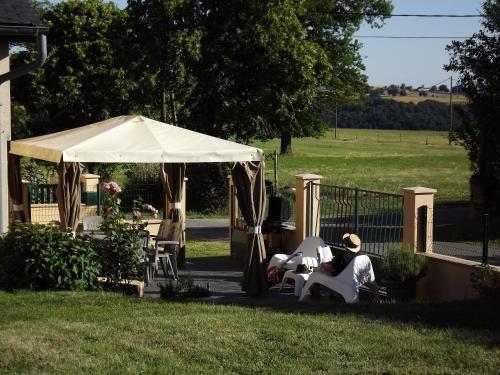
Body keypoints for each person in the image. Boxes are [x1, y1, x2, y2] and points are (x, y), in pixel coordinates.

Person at [309, 233, 361, 297]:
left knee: (319, 270)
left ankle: (313, 289)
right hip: (350, 279)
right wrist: (334, 261)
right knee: (319, 269)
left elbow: (329, 269)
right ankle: (314, 287)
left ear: (346, 245)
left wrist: (323, 264)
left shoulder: (342, 257)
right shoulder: (357, 256)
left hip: (338, 279)